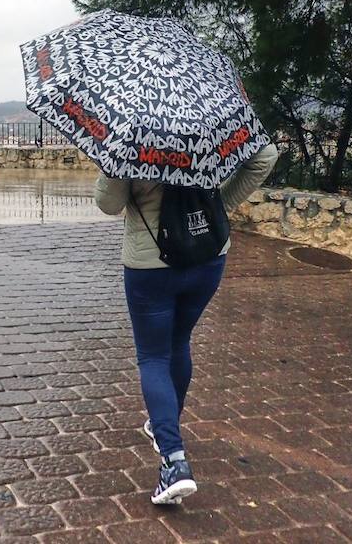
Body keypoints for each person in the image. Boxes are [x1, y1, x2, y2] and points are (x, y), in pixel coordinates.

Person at [95, 142, 278, 504]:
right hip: (208, 256)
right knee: (178, 344)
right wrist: (221, 205)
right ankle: (166, 425)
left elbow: (109, 204)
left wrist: (112, 159)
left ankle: (174, 461)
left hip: (151, 266)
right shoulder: (205, 130)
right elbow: (265, 155)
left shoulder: (131, 138)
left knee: (153, 357)